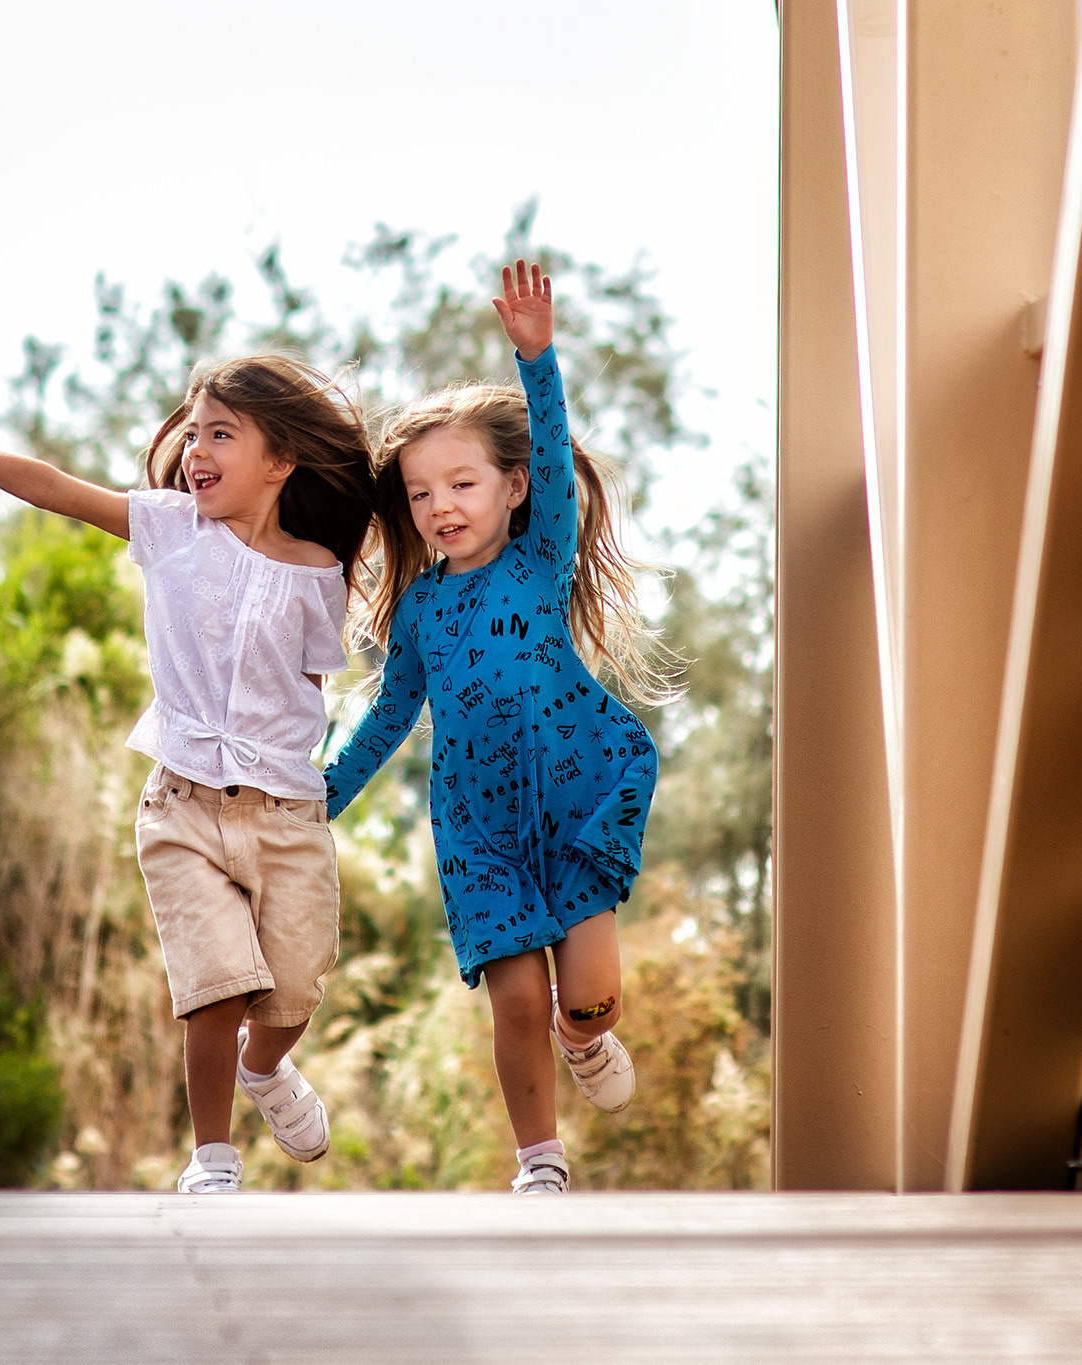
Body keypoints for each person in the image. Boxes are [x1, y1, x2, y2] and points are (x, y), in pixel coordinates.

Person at [0, 355, 375, 1194]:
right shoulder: (170, 528)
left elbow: (307, 689)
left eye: (222, 433)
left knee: (293, 986)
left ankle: (266, 1069)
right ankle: (211, 1157)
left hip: (287, 812)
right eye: (193, 430)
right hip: (179, 803)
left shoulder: (317, 567)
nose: (195, 448)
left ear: (281, 461)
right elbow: (51, 486)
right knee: (215, 983)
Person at [323, 260, 672, 1195]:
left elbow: (556, 455)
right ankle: (540, 1162)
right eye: (422, 494)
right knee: (513, 996)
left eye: (463, 484)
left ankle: (584, 1038)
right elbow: (384, 721)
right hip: (478, 829)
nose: (441, 506)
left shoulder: (541, 556)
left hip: (572, 800)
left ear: (512, 489)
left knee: (586, 998)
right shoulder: (422, 615)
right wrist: (316, 803)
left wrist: (538, 361)